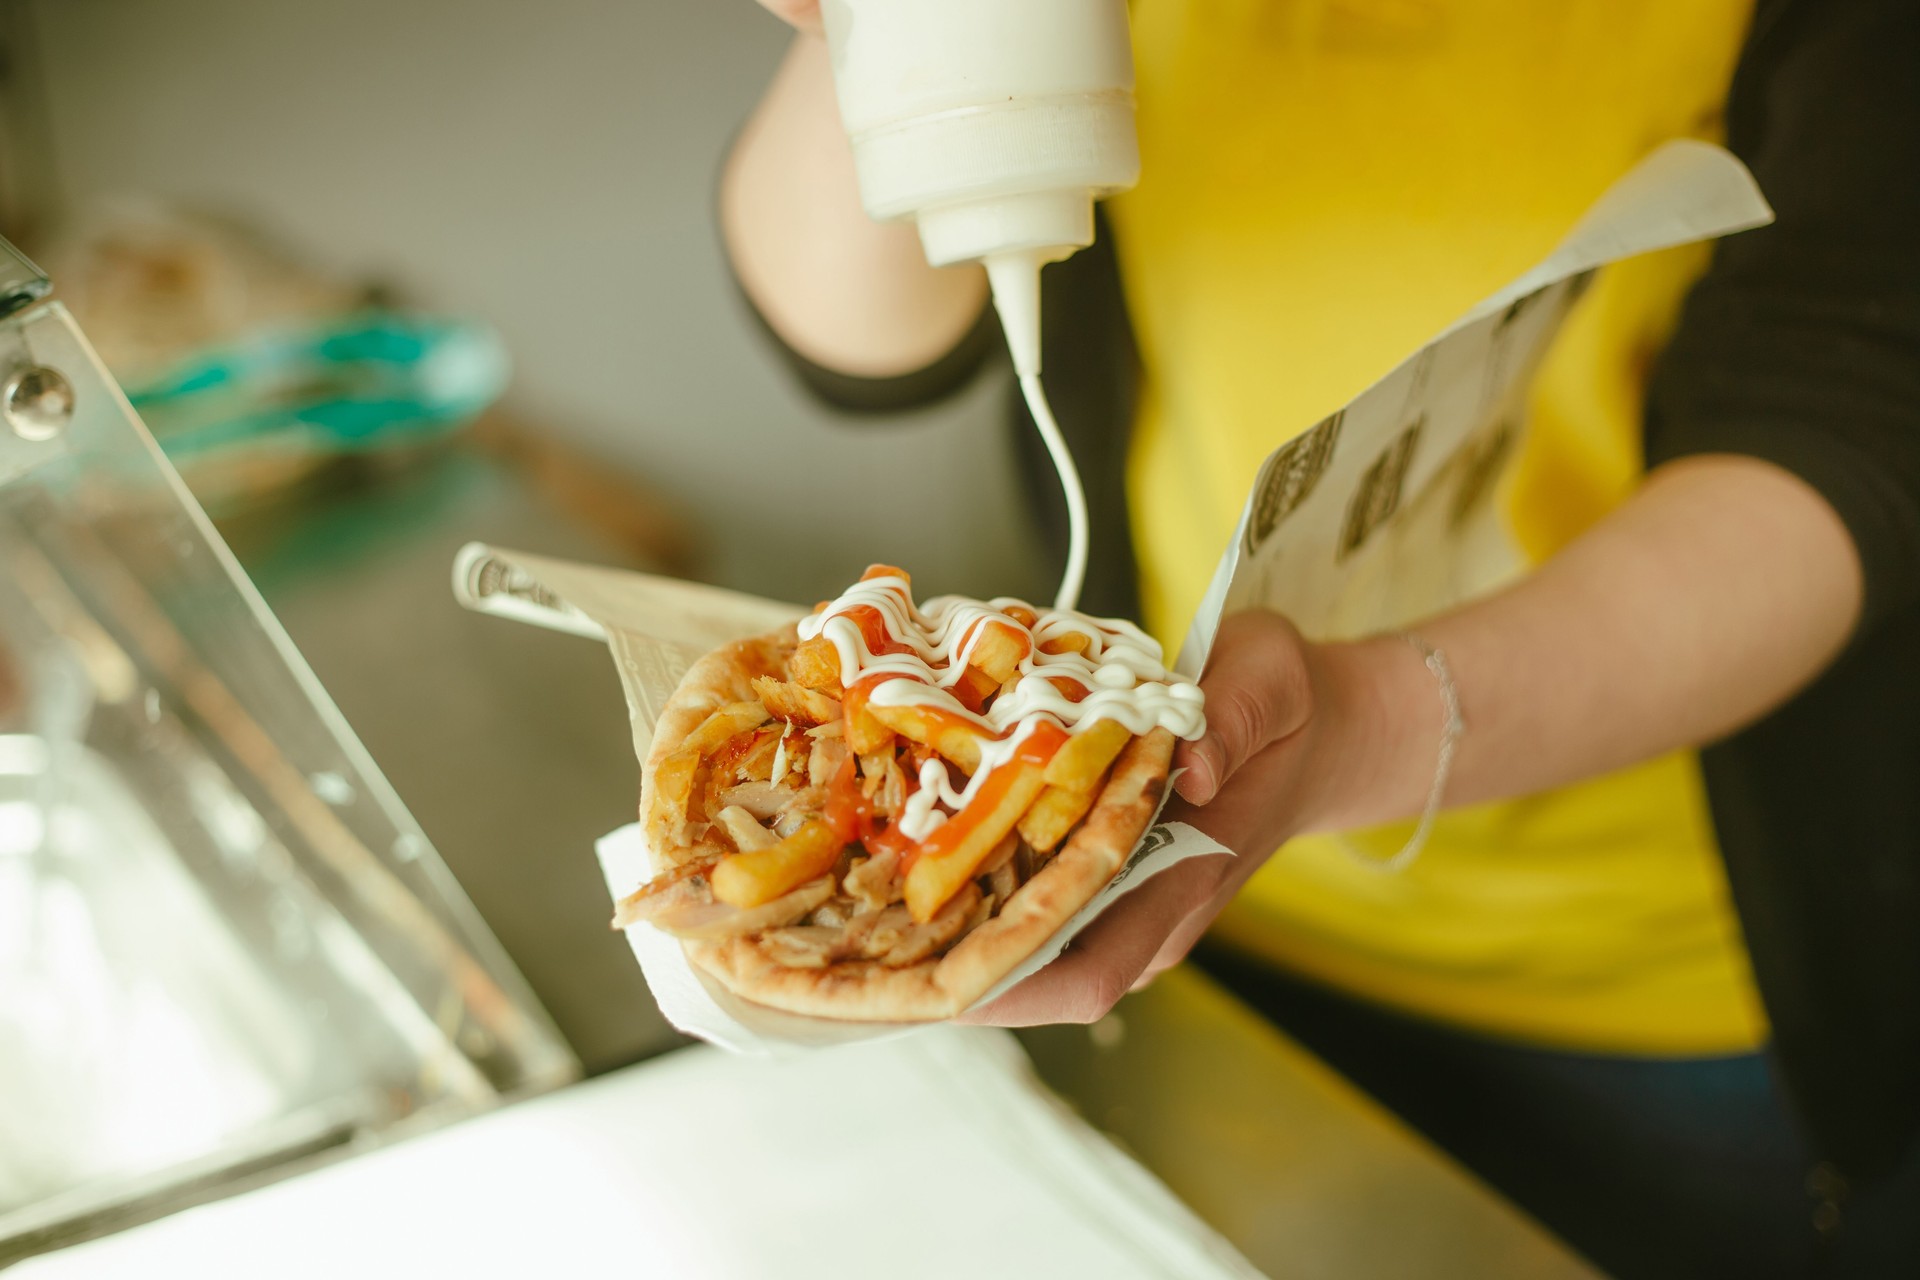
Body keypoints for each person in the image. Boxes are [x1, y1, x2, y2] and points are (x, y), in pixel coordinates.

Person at [723, 2, 1920, 1275]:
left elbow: (1849, 434)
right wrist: (856, 27)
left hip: (1659, 985)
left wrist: (1361, 727)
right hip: (1203, 940)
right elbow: (853, 343)